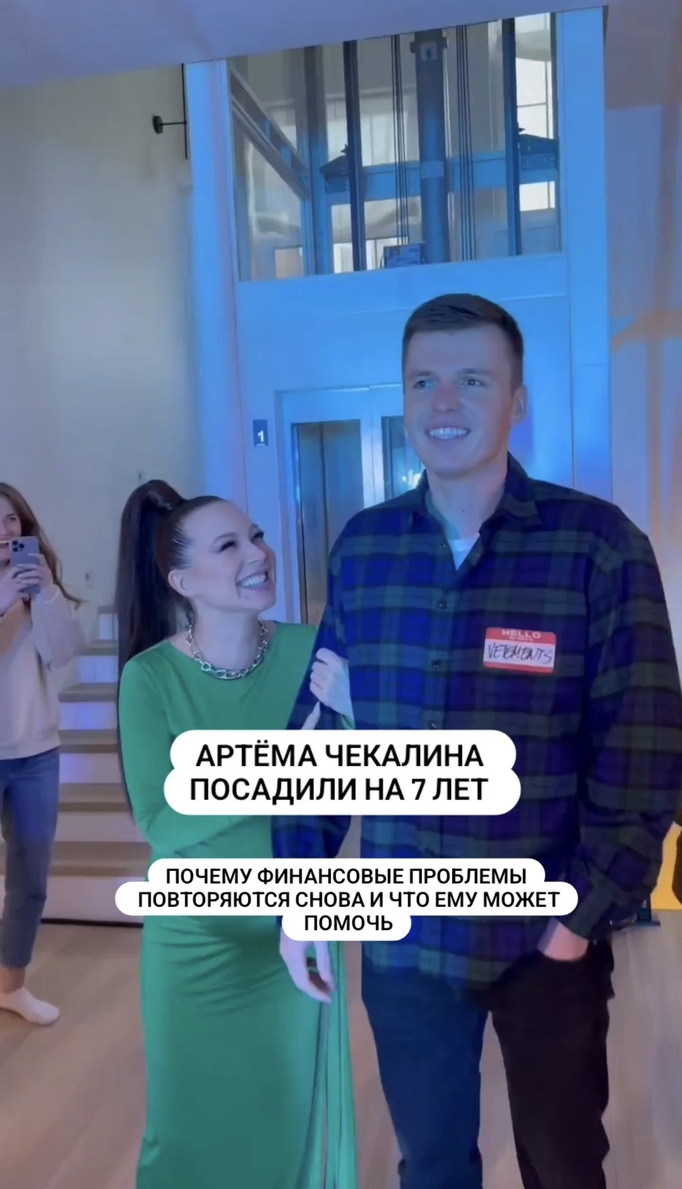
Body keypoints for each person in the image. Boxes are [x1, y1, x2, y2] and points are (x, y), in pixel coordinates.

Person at [272, 293, 682, 1189]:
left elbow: (643, 752)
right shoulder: (365, 549)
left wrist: (579, 920)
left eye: (472, 380)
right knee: (430, 1165)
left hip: (544, 935)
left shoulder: (598, 547)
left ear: (517, 400)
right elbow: (319, 733)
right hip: (404, 939)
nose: (444, 403)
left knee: (564, 1165)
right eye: (424, 382)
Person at [115, 480, 358, 1189]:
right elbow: (161, 817)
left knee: (293, 1123)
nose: (258, 553)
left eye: (256, 536)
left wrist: (358, 714)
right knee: (186, 1129)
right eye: (229, 545)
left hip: (301, 923)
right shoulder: (149, 678)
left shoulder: (313, 652)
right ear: (183, 582)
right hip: (196, 940)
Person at [0, 482, 84, 1025]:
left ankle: (11, 985)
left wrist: (47, 595)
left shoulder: (37, 587)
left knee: (29, 881)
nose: (4, 530)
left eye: (11, 520)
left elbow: (64, 653)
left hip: (35, 753)